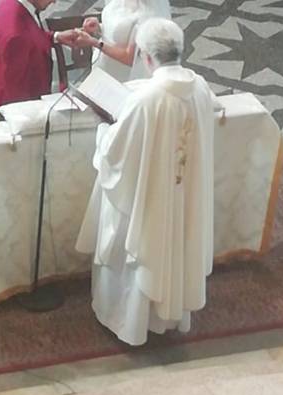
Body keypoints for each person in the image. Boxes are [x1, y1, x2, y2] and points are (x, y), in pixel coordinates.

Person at [75, 18, 215, 346]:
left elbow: (115, 153)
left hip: (146, 199)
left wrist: (102, 132)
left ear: (146, 57)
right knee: (177, 244)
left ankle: (129, 324)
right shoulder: (200, 88)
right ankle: (168, 319)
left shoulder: (145, 100)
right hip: (182, 196)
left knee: (136, 250)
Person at [0, 0, 81, 120]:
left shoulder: (10, 5)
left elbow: (30, 36)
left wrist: (55, 36)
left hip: (3, 97)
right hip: (14, 114)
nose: (54, 2)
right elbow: (16, 94)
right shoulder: (16, 35)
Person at [74, 0, 172, 83]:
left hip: (124, 80)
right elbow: (118, 31)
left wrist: (94, 43)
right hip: (103, 69)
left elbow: (129, 58)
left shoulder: (149, 16)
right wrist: (99, 27)